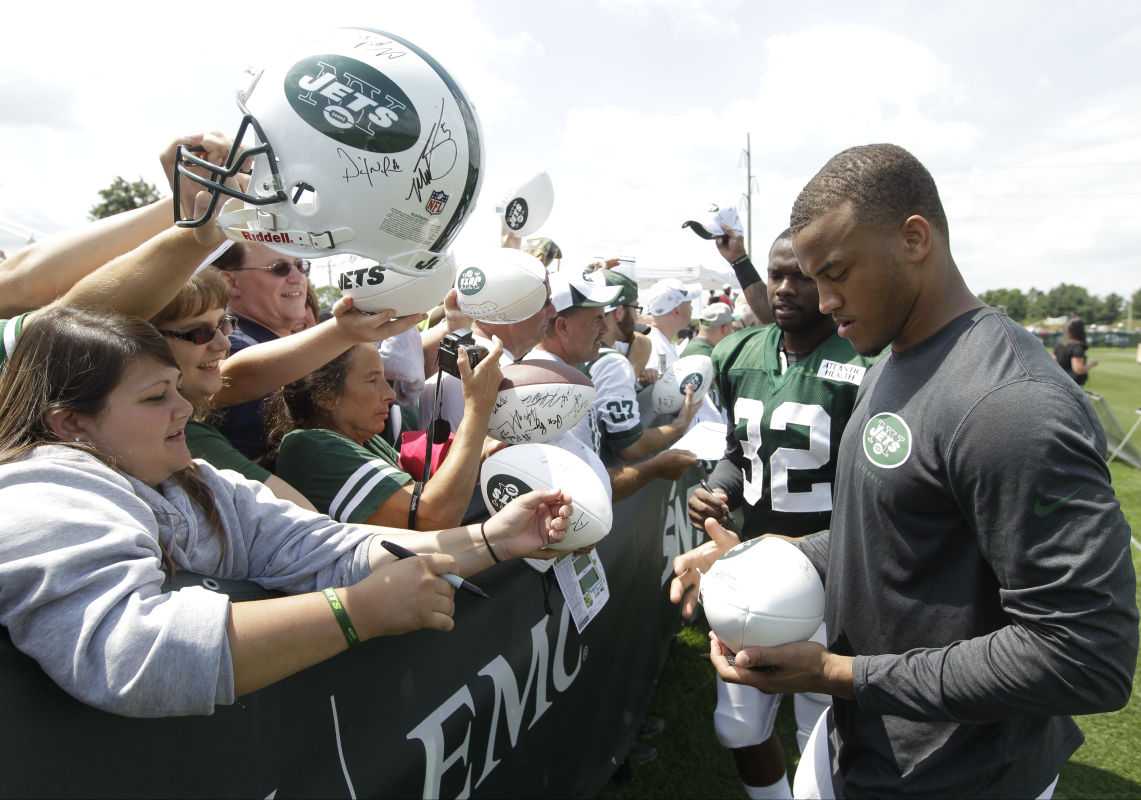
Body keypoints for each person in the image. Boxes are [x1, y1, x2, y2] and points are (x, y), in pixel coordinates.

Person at [679, 144, 1138, 798]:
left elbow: (1084, 657)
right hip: (872, 746)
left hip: (965, 775)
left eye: (835, 271)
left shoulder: (1012, 405)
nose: (823, 298)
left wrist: (841, 674)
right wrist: (770, 557)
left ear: (913, 238)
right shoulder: (894, 356)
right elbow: (895, 531)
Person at [0, 307, 574, 718]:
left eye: (177, 389)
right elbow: (130, 654)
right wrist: (354, 614)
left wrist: (496, 539)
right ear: (69, 424)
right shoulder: (37, 496)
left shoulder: (200, 483)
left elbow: (324, 546)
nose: (184, 408)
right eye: (155, 398)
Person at [674, 229, 878, 800]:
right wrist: (718, 490)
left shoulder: (866, 363)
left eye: (801, 276)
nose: (785, 288)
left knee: (823, 729)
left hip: (834, 570)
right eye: (776, 275)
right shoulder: (739, 352)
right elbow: (743, 453)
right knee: (737, 724)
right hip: (752, 566)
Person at [148, 267, 422, 505]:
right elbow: (305, 521)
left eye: (223, 325)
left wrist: (344, 332)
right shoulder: (181, 433)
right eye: (200, 333)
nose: (223, 344)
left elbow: (241, 376)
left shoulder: (188, 414)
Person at [264, 338, 503, 530]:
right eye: (372, 380)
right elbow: (432, 517)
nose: (390, 394)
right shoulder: (309, 448)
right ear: (326, 396)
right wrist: (477, 408)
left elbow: (433, 490)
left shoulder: (363, 439)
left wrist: (483, 451)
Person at [531, 271, 699, 501]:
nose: (605, 329)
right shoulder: (558, 388)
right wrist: (658, 464)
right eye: (596, 320)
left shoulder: (549, 370)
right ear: (562, 327)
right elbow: (582, 491)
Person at [1054, 316, 1098, 386]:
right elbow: (1078, 369)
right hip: (1074, 384)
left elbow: (1054, 364)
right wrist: (1092, 364)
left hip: (1060, 382)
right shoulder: (1077, 347)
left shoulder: (1059, 344)